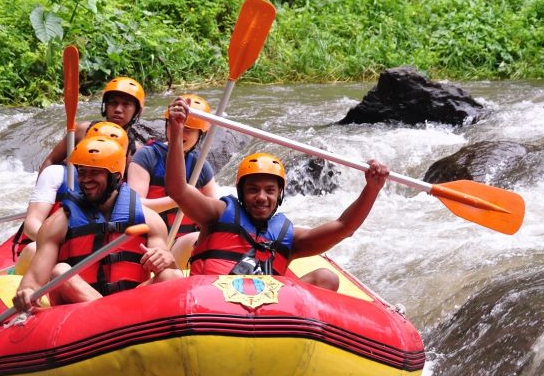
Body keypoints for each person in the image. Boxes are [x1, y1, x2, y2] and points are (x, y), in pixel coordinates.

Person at [163, 96, 390, 290]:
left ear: (280, 194)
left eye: (270, 190)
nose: (262, 197)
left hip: (269, 319)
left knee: (325, 278)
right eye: (253, 190)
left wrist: (371, 188)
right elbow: (178, 189)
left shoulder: (289, 238)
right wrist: (176, 133)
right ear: (241, 193)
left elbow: (344, 228)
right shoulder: (217, 214)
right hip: (209, 306)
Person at [14, 136, 182, 312]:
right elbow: (32, 282)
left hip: (131, 306)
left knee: (172, 275)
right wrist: (26, 292)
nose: (86, 179)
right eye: (82, 172)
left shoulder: (149, 220)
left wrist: (168, 260)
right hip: (78, 312)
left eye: (95, 172)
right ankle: (111, 316)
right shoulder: (58, 223)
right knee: (60, 272)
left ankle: (115, 318)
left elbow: (166, 268)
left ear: (116, 176)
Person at [12, 121, 130, 272]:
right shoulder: (55, 173)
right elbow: (31, 224)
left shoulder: (118, 186)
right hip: (47, 251)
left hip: (89, 259)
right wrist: (65, 245)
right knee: (33, 249)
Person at [127, 94, 217, 266]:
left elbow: (214, 214)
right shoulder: (147, 156)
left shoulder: (201, 166)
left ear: (201, 135)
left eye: (189, 129)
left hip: (184, 245)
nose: (181, 132)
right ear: (168, 125)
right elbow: (134, 205)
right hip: (151, 242)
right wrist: (180, 199)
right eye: (177, 126)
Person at [38, 76, 148, 172]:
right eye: (113, 103)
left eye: (126, 104)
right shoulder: (81, 131)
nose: (118, 109)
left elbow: (133, 189)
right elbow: (50, 161)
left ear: (136, 112)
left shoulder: (135, 152)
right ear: (106, 106)